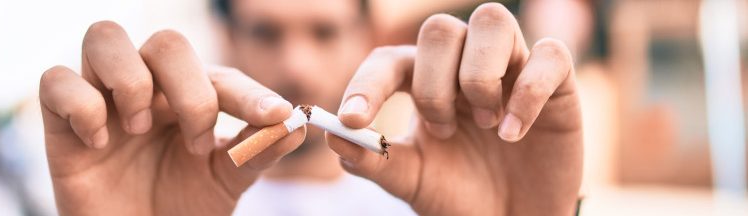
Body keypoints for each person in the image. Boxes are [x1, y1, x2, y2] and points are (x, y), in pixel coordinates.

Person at [37, 0, 583, 215]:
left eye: (323, 32)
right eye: (267, 31)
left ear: (367, 33)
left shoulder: (431, 202)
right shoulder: (146, 189)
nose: (296, 66)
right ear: (226, 37)